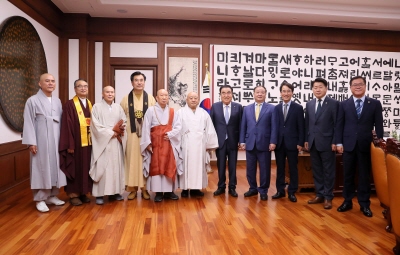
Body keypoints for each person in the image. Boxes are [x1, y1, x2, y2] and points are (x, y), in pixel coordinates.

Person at [336, 76, 384, 217]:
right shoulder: (344, 104)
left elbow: (379, 125)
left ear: (365, 86)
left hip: (366, 145)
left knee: (364, 176)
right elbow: (339, 125)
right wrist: (339, 142)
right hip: (348, 145)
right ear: (350, 87)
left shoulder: (374, 103)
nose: (358, 86)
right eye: (355, 84)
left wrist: (378, 143)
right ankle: (347, 201)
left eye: (360, 84)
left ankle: (364, 204)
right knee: (348, 174)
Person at [22, 73, 66, 212]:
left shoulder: (57, 101)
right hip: (41, 140)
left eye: (53, 81)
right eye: (47, 81)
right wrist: (31, 142)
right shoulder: (32, 101)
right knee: (41, 168)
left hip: (56, 138)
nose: (51, 83)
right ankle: (40, 199)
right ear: (40, 84)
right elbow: (28, 122)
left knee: (55, 167)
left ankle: (52, 195)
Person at [140, 89, 182, 202]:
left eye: (166, 95)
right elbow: (146, 127)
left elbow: (178, 127)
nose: (164, 97)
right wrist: (147, 143)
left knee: (169, 163)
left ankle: (169, 192)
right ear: (156, 98)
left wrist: (170, 134)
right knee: (157, 165)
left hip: (169, 142)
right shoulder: (150, 110)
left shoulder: (173, 111)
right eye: (161, 95)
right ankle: (158, 192)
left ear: (168, 97)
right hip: (155, 143)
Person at [120, 71, 156, 200]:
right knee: (131, 161)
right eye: (136, 80)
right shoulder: (125, 99)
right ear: (132, 82)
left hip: (146, 136)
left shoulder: (151, 98)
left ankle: (145, 188)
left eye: (141, 80)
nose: (139, 82)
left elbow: (154, 118)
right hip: (131, 136)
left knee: (146, 160)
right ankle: (132, 189)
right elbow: (120, 117)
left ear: (144, 82)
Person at [304, 78, 339, 210]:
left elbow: (337, 124)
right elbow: (307, 124)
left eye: (320, 87)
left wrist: (335, 141)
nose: (317, 89)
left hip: (328, 143)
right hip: (313, 142)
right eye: (315, 87)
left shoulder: (334, 104)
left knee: (329, 171)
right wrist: (306, 140)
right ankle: (319, 194)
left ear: (326, 88)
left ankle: (328, 197)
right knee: (317, 170)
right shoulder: (309, 104)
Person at [89, 86, 127, 205]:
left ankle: (115, 192)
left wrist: (118, 132)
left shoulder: (118, 107)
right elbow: (95, 126)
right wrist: (112, 132)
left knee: (116, 167)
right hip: (103, 143)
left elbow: (124, 122)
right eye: (107, 92)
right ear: (102, 94)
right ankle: (99, 194)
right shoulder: (96, 107)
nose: (110, 94)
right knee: (103, 167)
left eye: (112, 92)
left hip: (115, 142)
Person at [239, 86, 277, 201]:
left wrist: (273, 141)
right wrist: (242, 141)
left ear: (265, 94)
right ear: (253, 94)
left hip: (265, 143)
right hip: (250, 142)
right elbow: (243, 126)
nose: (259, 94)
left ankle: (263, 190)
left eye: (262, 92)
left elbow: (274, 127)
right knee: (250, 168)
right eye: (257, 92)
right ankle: (252, 188)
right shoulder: (247, 109)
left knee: (265, 169)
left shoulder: (271, 108)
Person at [178, 92, 218, 197]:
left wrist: (209, 145)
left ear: (198, 100)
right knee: (185, 166)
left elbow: (209, 129)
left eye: (195, 98)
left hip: (200, 144)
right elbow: (176, 129)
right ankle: (185, 189)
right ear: (186, 99)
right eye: (191, 98)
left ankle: (196, 188)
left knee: (199, 166)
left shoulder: (204, 113)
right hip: (186, 143)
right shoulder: (180, 112)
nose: (193, 100)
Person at [59, 79, 93, 206]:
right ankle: (73, 194)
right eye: (80, 86)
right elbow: (67, 126)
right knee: (75, 166)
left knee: (86, 167)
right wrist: (70, 144)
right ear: (75, 89)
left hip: (88, 143)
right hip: (76, 144)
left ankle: (84, 192)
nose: (83, 88)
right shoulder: (70, 104)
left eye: (85, 86)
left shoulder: (89, 103)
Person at [272, 81, 305, 203]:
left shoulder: (298, 108)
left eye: (288, 91)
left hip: (293, 143)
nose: (286, 93)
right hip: (279, 144)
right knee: (280, 168)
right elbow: (274, 126)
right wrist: (273, 141)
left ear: (292, 93)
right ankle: (280, 191)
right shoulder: (276, 108)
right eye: (284, 91)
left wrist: (300, 142)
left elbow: (301, 127)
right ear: (280, 93)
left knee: (293, 168)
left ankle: (292, 191)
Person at [210, 85, 243, 197]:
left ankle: (232, 187)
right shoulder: (215, 107)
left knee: (233, 166)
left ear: (232, 94)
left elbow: (241, 125)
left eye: (228, 92)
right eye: (223, 93)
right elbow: (211, 125)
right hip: (220, 142)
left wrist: (241, 140)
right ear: (220, 95)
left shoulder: (238, 107)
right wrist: (212, 141)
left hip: (233, 141)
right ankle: (221, 186)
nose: (226, 95)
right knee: (221, 165)